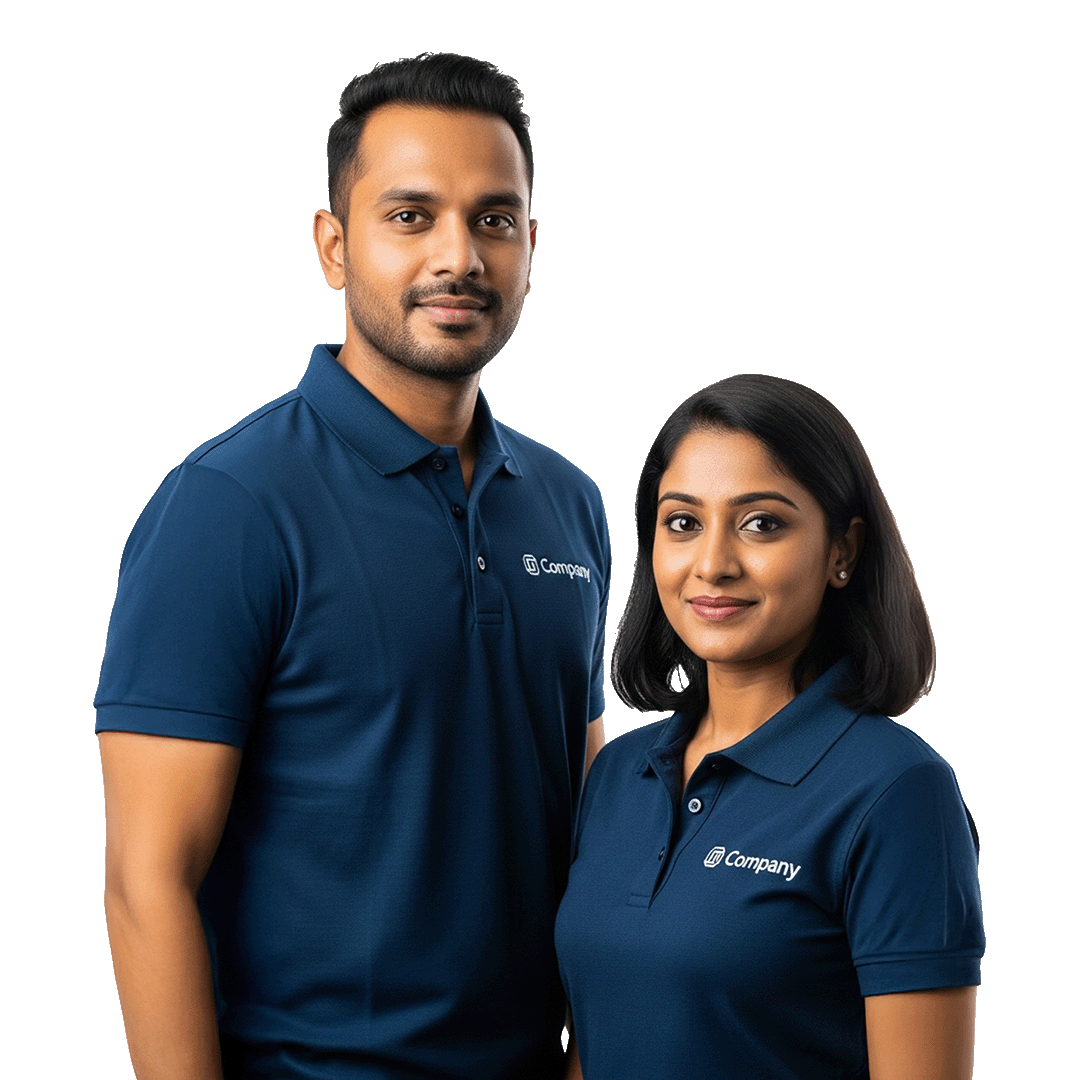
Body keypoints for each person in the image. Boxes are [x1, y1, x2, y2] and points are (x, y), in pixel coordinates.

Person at [95, 53, 608, 1080]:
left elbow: (587, 824)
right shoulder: (228, 506)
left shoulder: (568, 503)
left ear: (531, 247)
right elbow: (147, 883)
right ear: (334, 247)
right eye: (410, 217)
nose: (459, 256)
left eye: (494, 219)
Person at [555, 375, 983, 1080]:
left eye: (761, 524)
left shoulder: (900, 793)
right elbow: (593, 1047)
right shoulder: (619, 774)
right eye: (682, 523)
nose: (713, 565)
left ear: (843, 551)